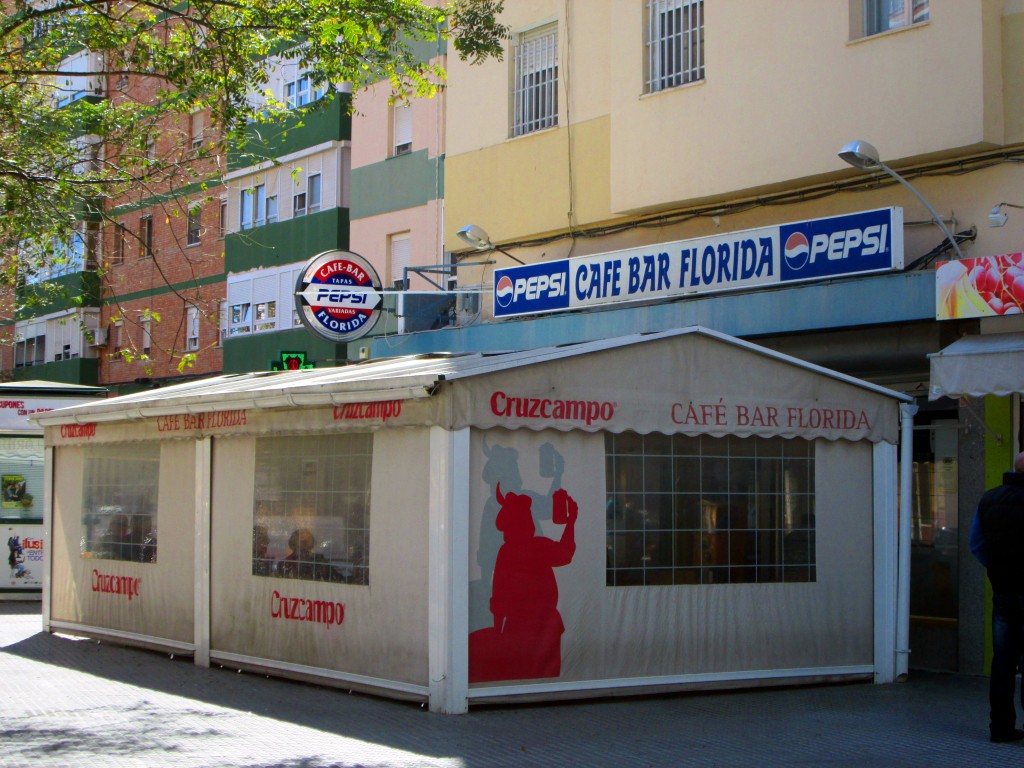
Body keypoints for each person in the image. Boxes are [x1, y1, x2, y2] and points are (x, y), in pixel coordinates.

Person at [970, 451, 1024, 743]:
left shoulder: (989, 500)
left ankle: (1000, 727)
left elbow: (975, 544)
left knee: (1003, 661)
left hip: (1003, 593)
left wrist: (997, 569)